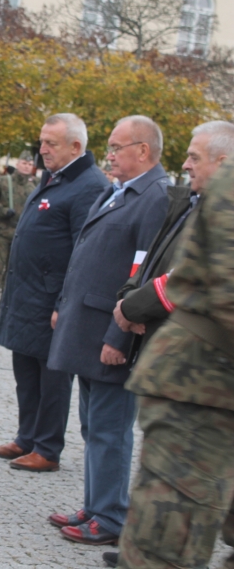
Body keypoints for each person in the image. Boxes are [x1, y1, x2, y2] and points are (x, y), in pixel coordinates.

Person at [100, 121, 234, 569]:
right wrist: (131, 305)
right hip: (201, 392)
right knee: (167, 542)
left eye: (195, 156)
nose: (186, 165)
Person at [47, 115, 169, 546]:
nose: (110, 154)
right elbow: (88, 253)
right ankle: (96, 505)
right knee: (92, 426)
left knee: (110, 430)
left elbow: (143, 272)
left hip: (111, 333)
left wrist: (120, 337)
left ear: (143, 151)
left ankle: (112, 516)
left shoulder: (155, 197)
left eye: (118, 147)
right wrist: (63, 306)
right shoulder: (119, 190)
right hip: (87, 327)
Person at [0, 114, 105, 471]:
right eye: (41, 141)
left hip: (52, 299)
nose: (42, 149)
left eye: (51, 143)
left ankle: (47, 448)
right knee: (26, 369)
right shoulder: (56, 177)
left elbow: (84, 251)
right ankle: (27, 437)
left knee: (52, 376)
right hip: (28, 294)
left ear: (75, 146)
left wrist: (63, 303)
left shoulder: (88, 185)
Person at [0, 151, 38, 308]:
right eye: (24, 163)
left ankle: (6, 296)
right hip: (2, 230)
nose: (26, 167)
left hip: (19, 233)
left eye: (29, 164)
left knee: (12, 268)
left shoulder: (33, 186)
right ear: (18, 164)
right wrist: (2, 210)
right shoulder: (4, 181)